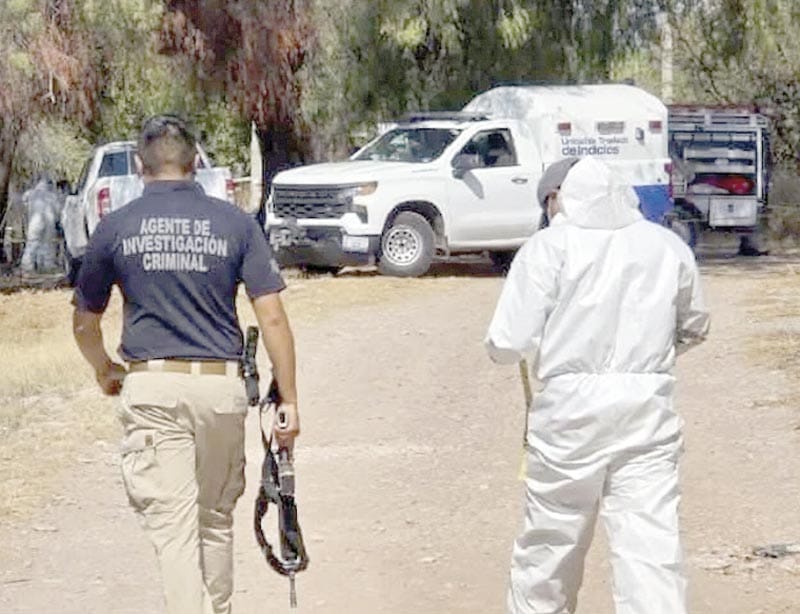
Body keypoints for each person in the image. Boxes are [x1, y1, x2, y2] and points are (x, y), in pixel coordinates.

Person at [72, 114, 299, 614]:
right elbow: (274, 319)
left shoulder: (115, 227)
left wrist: (104, 369)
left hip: (152, 390)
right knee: (215, 520)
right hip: (221, 390)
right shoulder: (236, 223)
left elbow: (85, 322)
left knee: (173, 528)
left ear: (138, 166)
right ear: (196, 162)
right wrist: (290, 399)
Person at [485, 156, 710, 614]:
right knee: (650, 545)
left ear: (558, 199)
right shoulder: (666, 247)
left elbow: (506, 342)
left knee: (551, 542)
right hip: (647, 408)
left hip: (568, 415)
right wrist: (644, 360)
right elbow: (695, 325)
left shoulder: (549, 248)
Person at [20, 176, 62, 273]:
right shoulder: (52, 195)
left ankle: (27, 266)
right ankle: (47, 266)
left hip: (35, 221)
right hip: (49, 221)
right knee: (48, 244)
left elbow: (24, 202)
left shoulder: (30, 193)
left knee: (32, 243)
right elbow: (58, 210)